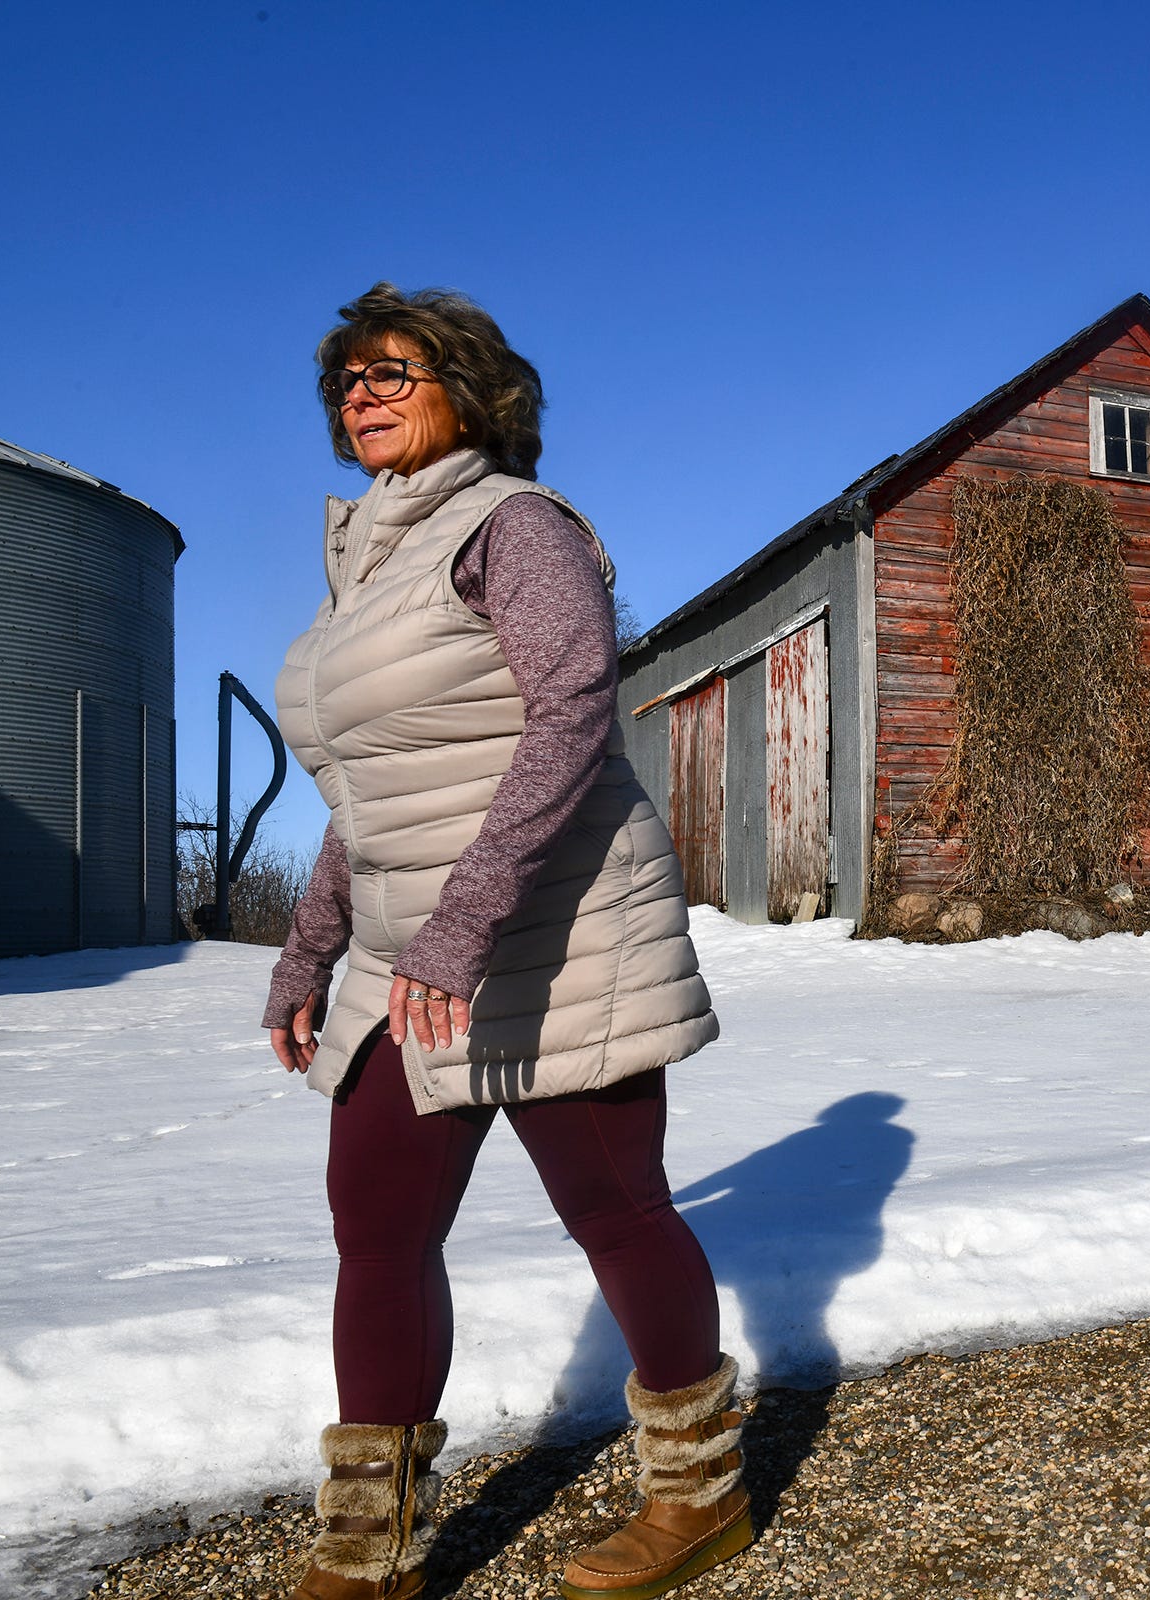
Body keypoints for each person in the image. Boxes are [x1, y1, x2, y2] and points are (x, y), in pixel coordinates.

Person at [262, 283, 751, 1600]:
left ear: (470, 392)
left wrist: (463, 924)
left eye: (394, 372)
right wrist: (312, 950)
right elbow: (370, 796)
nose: (362, 393)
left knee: (614, 1208)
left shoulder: (510, 526)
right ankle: (368, 1550)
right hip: (404, 952)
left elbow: (573, 715)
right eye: (347, 379)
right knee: (376, 1225)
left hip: (556, 928)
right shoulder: (363, 565)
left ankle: (701, 1497)